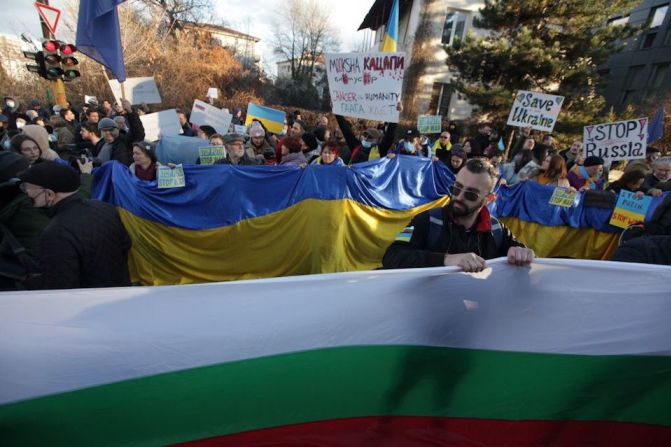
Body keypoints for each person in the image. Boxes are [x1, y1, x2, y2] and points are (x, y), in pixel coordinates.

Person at [382, 158, 534, 272]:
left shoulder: (497, 230)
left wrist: (521, 252)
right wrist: (447, 260)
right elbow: (392, 255)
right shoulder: (425, 220)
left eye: (471, 194)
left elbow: (524, 255)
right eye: (456, 188)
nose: (459, 197)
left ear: (489, 199)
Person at [18, 161, 132, 289]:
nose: (26, 193)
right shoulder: (105, 208)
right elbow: (126, 244)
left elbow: (61, 285)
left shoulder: (56, 232)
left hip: (87, 301)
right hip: (118, 290)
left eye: (28, 189)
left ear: (50, 194)